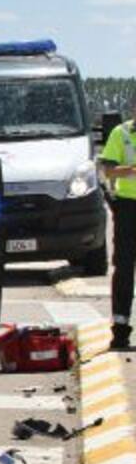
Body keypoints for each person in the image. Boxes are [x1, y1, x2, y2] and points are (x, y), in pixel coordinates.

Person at [100, 103, 136, 350]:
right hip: (127, 209)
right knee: (124, 268)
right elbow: (108, 170)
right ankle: (120, 330)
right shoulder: (121, 133)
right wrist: (133, 170)